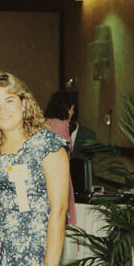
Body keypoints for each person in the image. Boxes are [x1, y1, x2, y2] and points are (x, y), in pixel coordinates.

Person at [0, 71, 70, 266]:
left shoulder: (47, 144)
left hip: (34, 249)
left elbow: (59, 210)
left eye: (9, 101)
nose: (2, 110)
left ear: (24, 102)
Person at [44, 91, 77, 225]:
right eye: (72, 109)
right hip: (59, 176)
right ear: (67, 109)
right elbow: (65, 155)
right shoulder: (62, 125)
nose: (73, 113)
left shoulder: (44, 123)